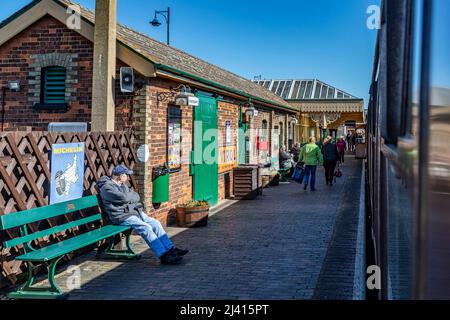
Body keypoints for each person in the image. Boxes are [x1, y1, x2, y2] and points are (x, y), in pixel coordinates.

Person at [97, 164, 189, 265]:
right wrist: (129, 198)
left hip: (132, 212)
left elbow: (136, 196)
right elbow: (124, 198)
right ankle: (163, 255)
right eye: (126, 175)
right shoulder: (107, 187)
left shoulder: (122, 185)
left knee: (156, 223)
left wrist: (129, 198)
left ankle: (171, 249)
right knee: (146, 227)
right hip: (121, 216)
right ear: (121, 176)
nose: (128, 177)